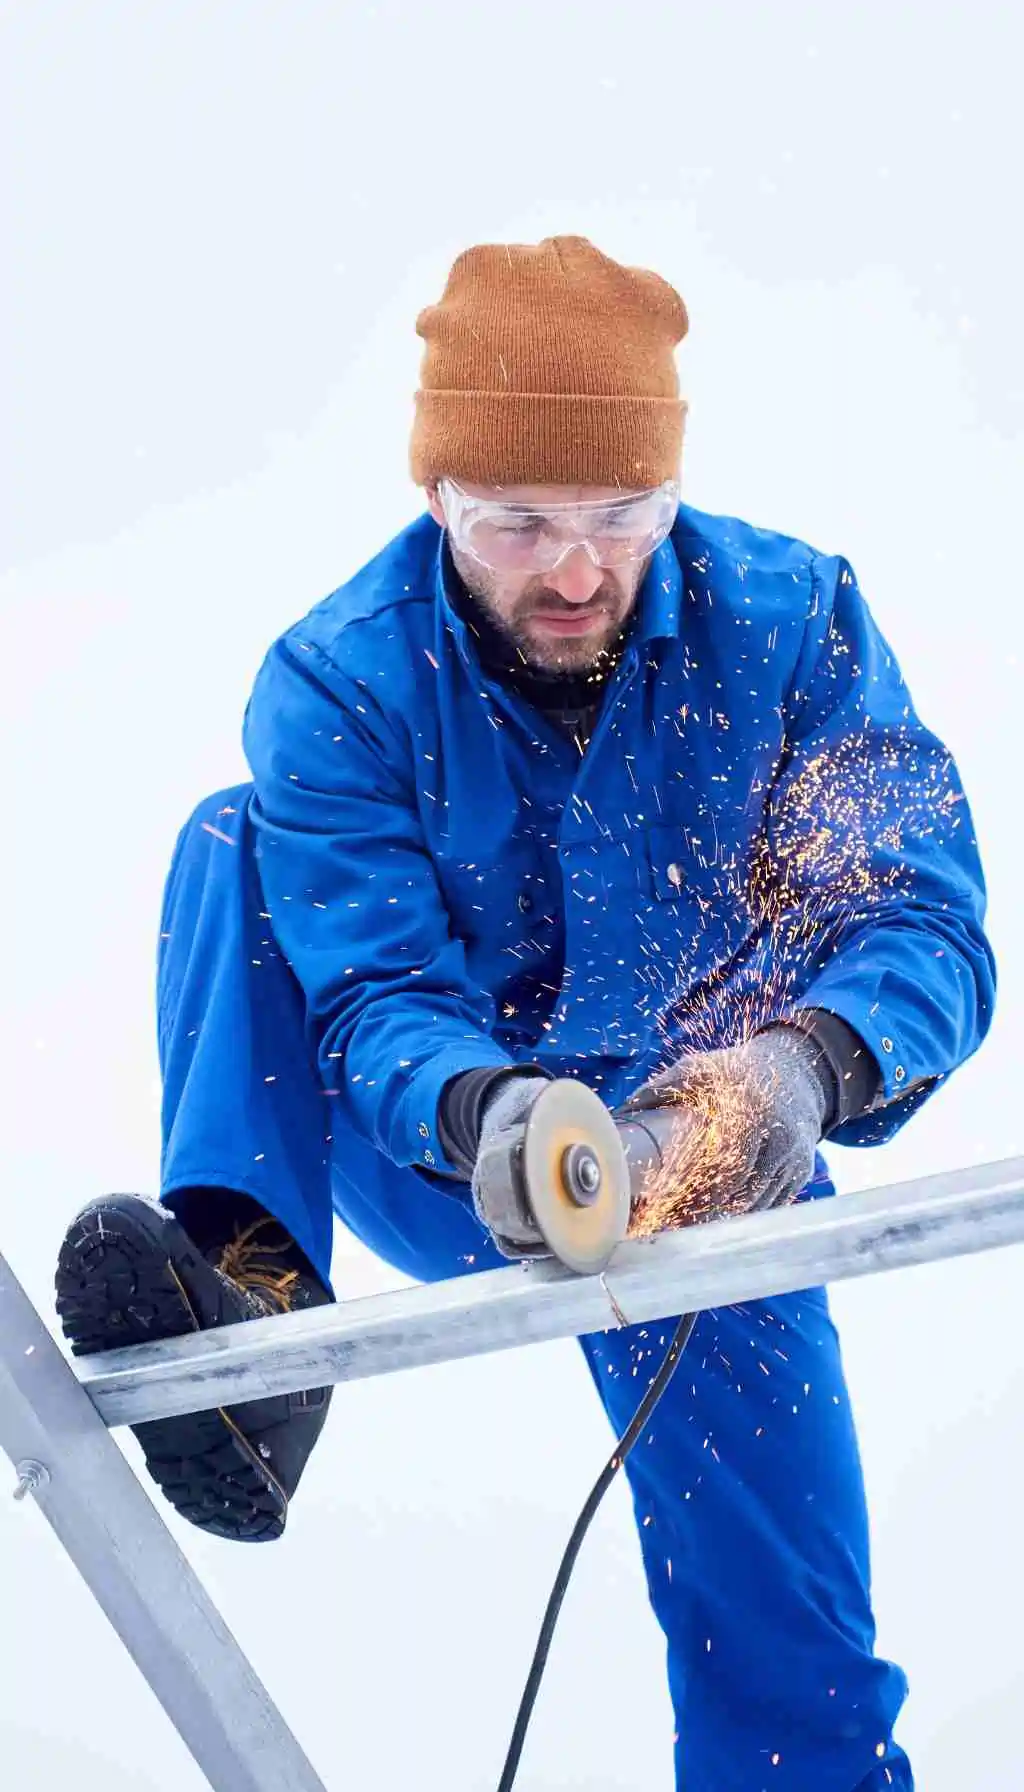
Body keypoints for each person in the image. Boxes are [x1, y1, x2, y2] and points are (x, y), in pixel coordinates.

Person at [54, 235, 994, 1791]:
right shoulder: (342, 677)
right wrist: (479, 1107)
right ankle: (263, 1312)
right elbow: (368, 989)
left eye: (621, 516)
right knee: (231, 844)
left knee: (797, 1663)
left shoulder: (790, 622)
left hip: (714, 1166)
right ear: (436, 503)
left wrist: (803, 1074)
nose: (575, 570)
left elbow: (918, 911)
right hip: (440, 1143)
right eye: (519, 525)